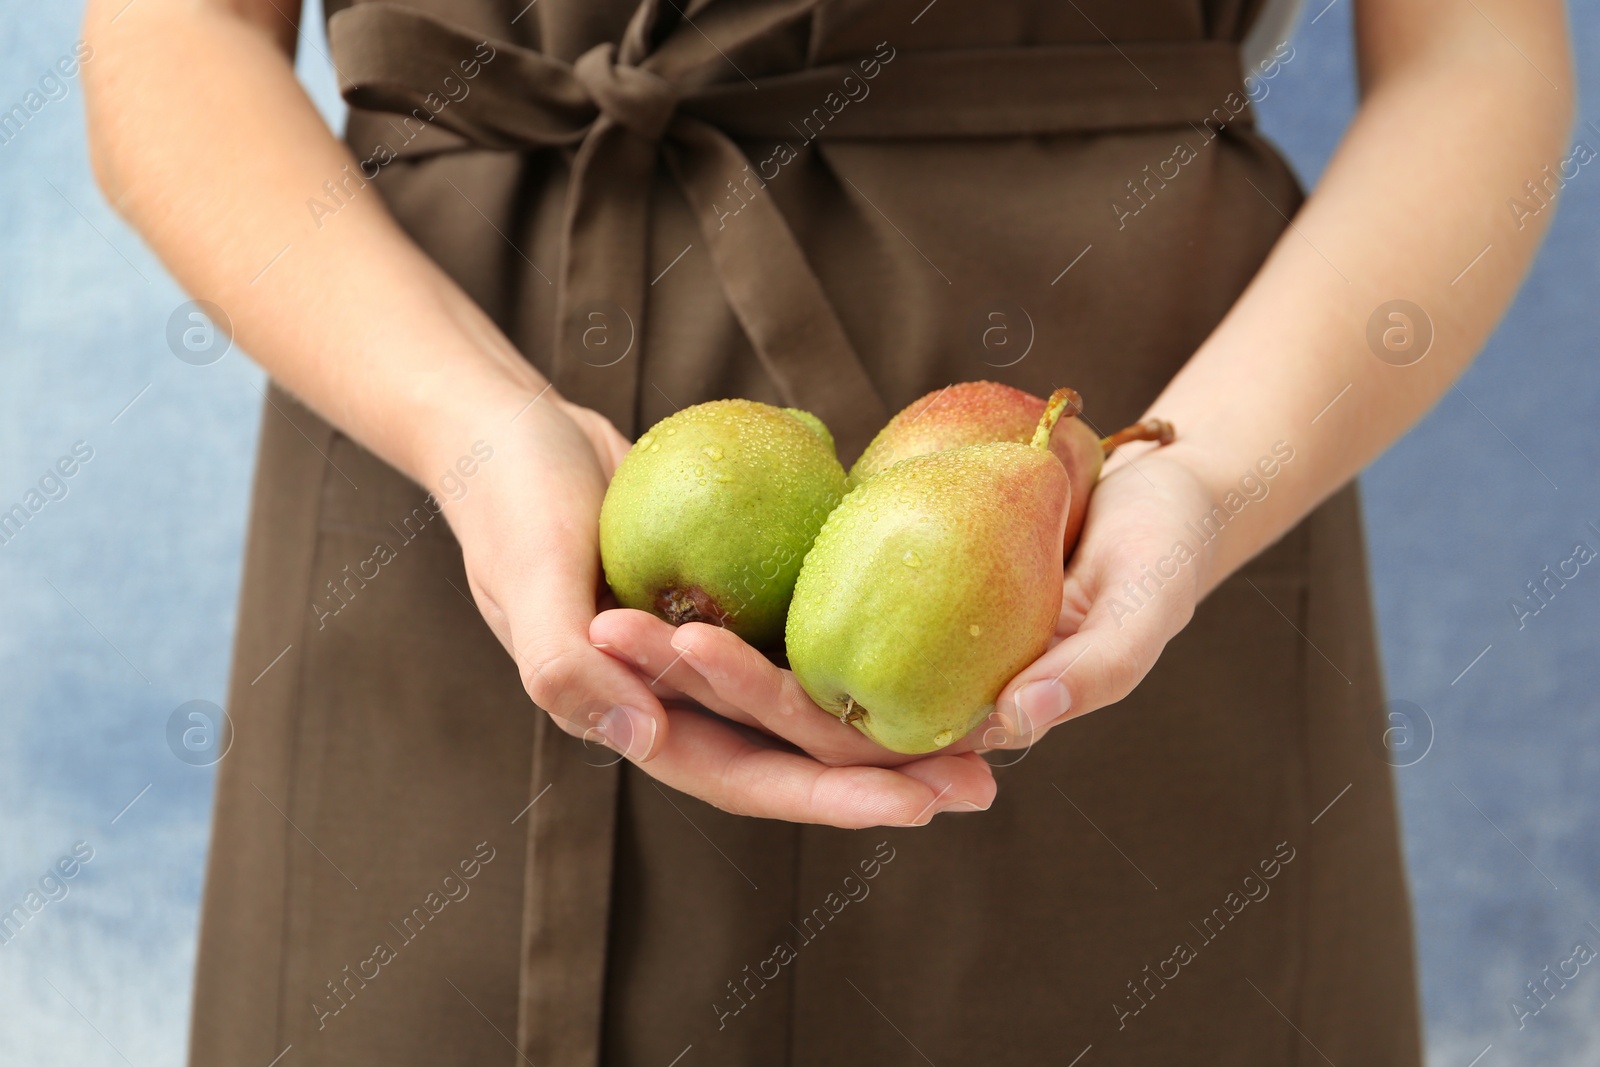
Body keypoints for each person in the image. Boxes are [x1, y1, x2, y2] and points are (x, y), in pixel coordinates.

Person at [82, 0, 1573, 1063]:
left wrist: (1207, 479)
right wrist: (470, 432)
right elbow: (172, 30)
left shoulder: (1143, 490)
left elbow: (1477, 48)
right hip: (426, 438)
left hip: (1130, 478)